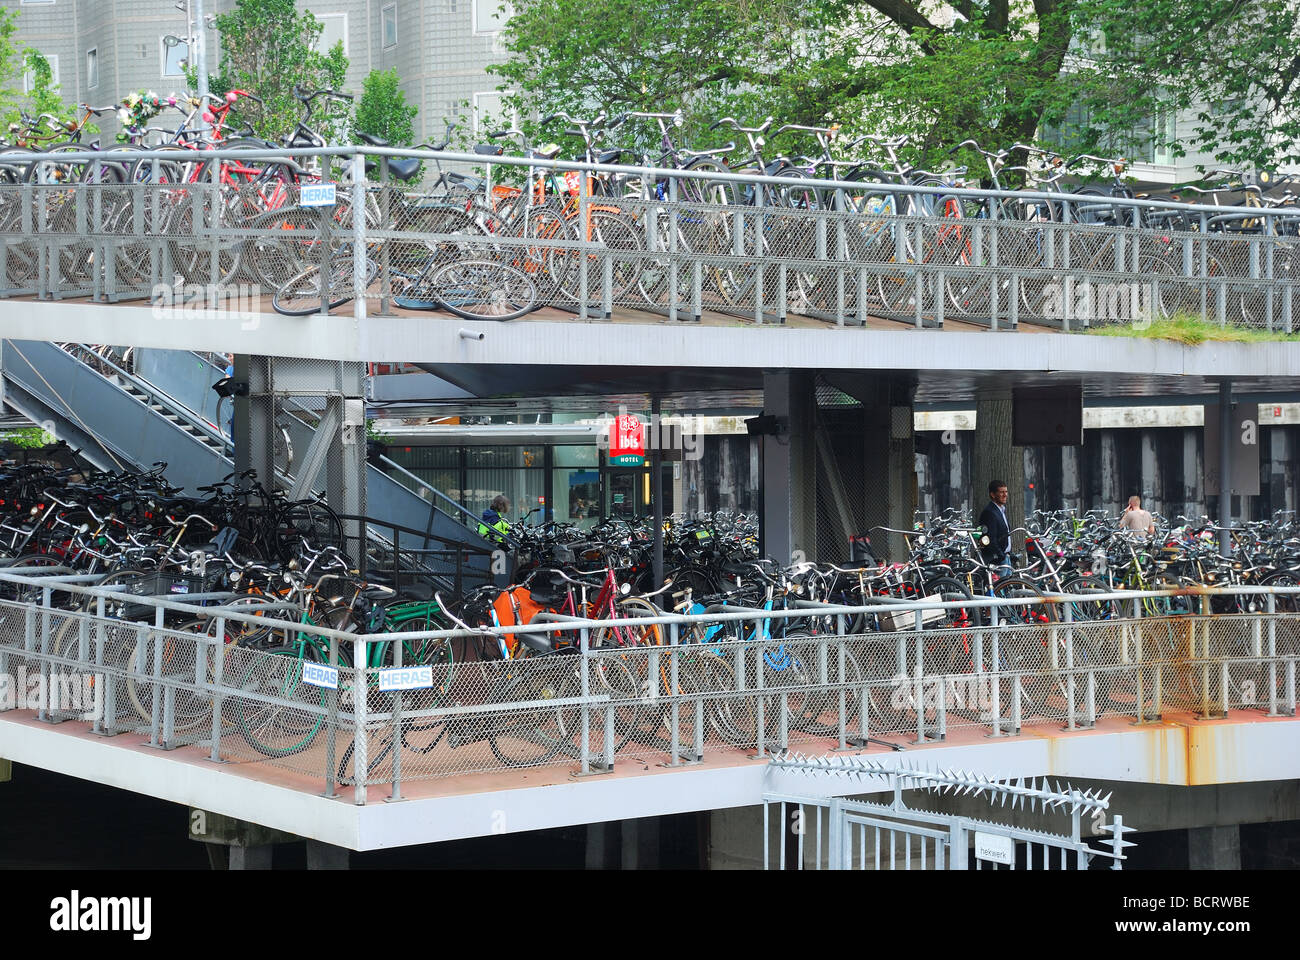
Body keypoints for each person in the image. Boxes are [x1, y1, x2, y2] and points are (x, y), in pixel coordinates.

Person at [978, 479, 1013, 580]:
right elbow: (990, 538)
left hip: (1005, 557)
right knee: (998, 589)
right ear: (993, 494)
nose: (1005, 495)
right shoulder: (990, 512)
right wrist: (1001, 556)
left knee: (1006, 589)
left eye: (1006, 492)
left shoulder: (1000, 510)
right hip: (998, 560)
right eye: (1001, 492)